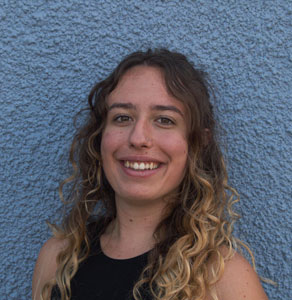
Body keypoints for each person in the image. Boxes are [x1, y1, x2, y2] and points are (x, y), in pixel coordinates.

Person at [32, 49, 268, 300]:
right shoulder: (58, 260)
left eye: (164, 120)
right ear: (99, 138)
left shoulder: (222, 277)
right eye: (122, 117)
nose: (138, 138)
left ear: (198, 142)